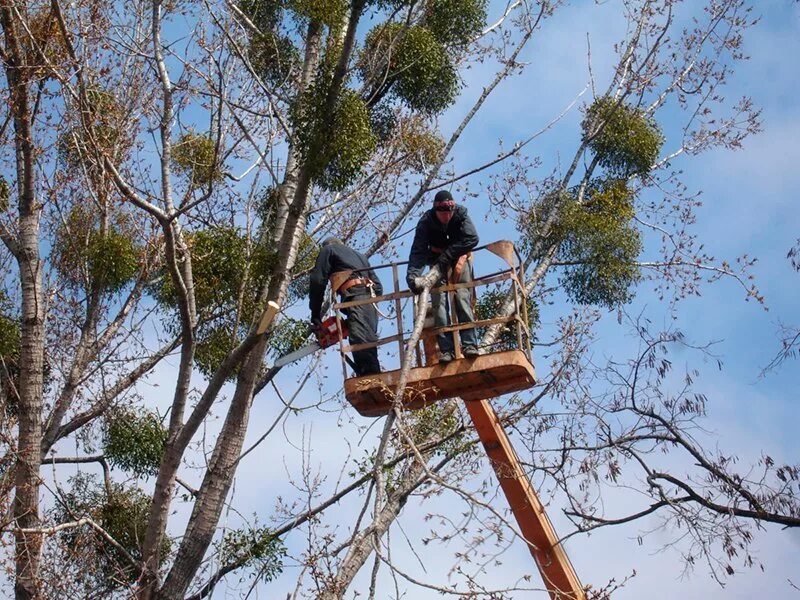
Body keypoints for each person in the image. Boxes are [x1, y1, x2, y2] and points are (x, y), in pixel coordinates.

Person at [406, 190, 480, 362]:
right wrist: (413, 277)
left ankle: (470, 345)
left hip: (459, 258)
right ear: (436, 211)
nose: (447, 216)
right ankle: (446, 350)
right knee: (439, 301)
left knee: (462, 296)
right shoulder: (426, 222)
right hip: (436, 263)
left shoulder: (461, 214)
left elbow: (472, 238)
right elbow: (418, 251)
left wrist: (447, 256)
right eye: (443, 213)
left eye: (449, 213)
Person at [309, 237, 383, 376]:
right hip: (371, 302)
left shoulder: (328, 249)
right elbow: (378, 287)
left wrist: (315, 313)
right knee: (368, 342)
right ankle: (372, 375)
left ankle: (368, 378)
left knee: (360, 339)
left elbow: (317, 280)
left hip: (355, 297)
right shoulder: (361, 257)